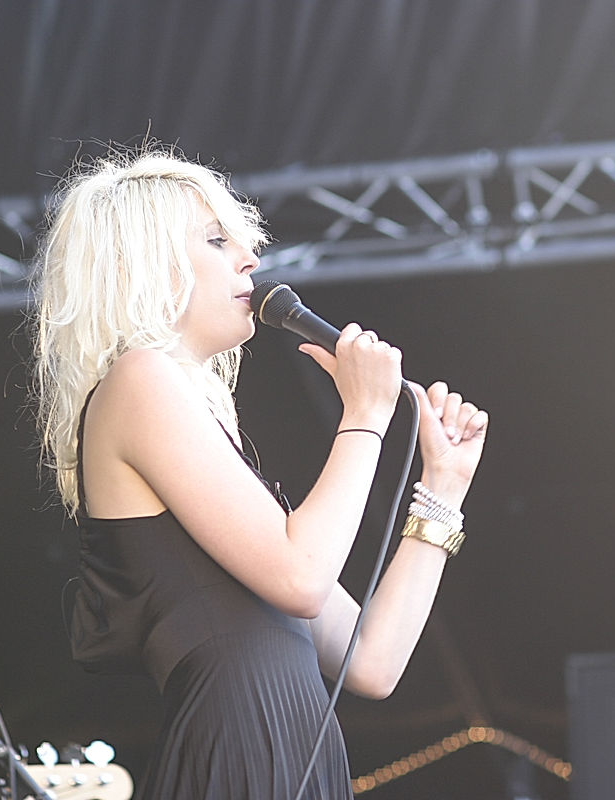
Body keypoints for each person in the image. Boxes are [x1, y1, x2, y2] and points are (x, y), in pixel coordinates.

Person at [31, 146, 488, 799]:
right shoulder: (139, 379)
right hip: (236, 756)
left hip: (292, 759)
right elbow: (303, 578)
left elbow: (373, 661)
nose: (250, 259)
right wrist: (363, 415)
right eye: (217, 240)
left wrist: (442, 489)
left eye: (245, 243)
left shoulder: (199, 433)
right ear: (142, 265)